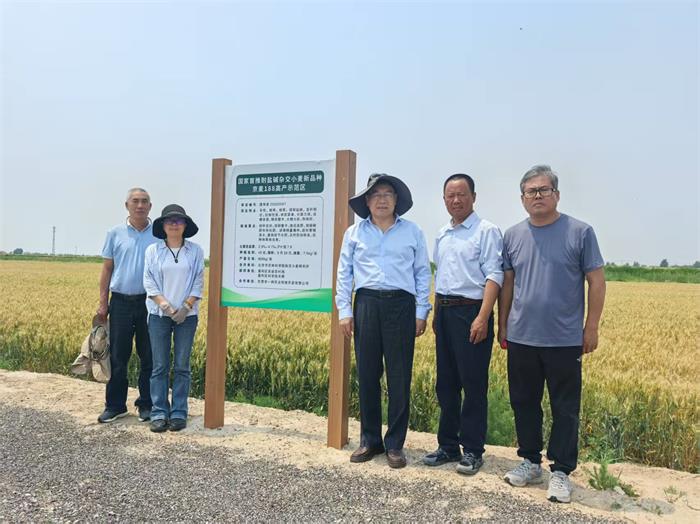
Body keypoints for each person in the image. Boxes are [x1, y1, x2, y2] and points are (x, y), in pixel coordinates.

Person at [498, 165, 606, 503]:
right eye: (531, 191)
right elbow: (508, 283)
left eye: (544, 190)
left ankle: (560, 471)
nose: (538, 196)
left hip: (564, 339)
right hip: (521, 336)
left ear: (556, 195)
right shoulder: (512, 236)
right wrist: (503, 325)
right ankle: (530, 462)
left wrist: (591, 326)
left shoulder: (580, 232)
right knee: (524, 402)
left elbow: (597, 281)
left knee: (565, 407)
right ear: (522, 198)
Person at [336, 173, 432, 469]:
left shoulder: (413, 231)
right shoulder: (354, 233)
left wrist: (421, 312)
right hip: (366, 303)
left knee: (399, 376)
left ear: (396, 200)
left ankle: (395, 444)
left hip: (401, 305)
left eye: (387, 193)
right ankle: (370, 440)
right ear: (367, 201)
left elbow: (422, 273)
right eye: (376, 194)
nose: (382, 199)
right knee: (367, 374)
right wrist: (344, 311)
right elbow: (344, 273)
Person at [423, 174, 503, 476]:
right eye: (450, 196)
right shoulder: (443, 233)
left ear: (473, 197)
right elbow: (441, 274)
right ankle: (447, 445)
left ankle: (472, 449)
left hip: (472, 312)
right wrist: (436, 312)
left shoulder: (486, 231)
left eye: (461, 194)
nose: (456, 200)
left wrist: (483, 316)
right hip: (445, 312)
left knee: (473, 384)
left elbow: (494, 275)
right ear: (444, 200)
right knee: (446, 383)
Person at [97, 188, 157, 423]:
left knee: (149, 356)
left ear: (150, 206)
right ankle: (115, 405)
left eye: (144, 202)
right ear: (127, 206)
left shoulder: (159, 233)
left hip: (149, 302)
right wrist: (103, 303)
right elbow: (107, 269)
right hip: (120, 302)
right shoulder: (115, 233)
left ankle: (146, 404)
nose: (140, 205)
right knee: (118, 356)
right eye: (135, 201)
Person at [143, 204, 204, 433]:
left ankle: (179, 412)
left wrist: (186, 307)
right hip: (159, 315)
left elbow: (198, 280)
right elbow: (149, 281)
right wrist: (167, 307)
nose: (174, 224)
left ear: (185, 225)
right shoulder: (153, 251)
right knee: (159, 365)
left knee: (182, 366)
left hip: (188, 317)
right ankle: (159, 412)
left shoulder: (195, 251)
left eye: (179, 221)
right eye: (170, 221)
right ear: (163, 226)